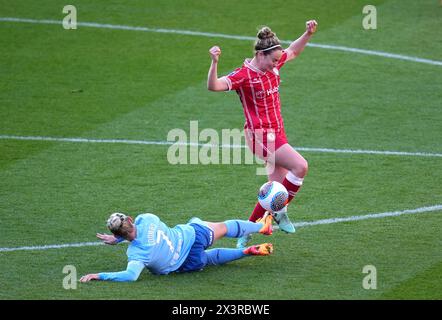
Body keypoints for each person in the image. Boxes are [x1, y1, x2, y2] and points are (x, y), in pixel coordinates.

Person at [207, 20, 318, 248]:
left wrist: (307, 33)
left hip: (278, 133)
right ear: (260, 54)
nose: (276, 65)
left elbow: (294, 51)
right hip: (261, 137)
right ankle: (280, 210)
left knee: (275, 189)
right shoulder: (244, 75)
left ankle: (246, 232)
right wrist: (214, 62)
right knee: (301, 166)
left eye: (278, 60)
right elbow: (214, 86)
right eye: (273, 60)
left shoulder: (273, 65)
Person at [79, 212, 273, 282]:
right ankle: (261, 227)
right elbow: (136, 229)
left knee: (210, 259)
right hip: (191, 236)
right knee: (222, 226)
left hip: (187, 263)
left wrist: (100, 275)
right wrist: (120, 238)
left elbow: (130, 276)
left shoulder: (136, 254)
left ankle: (245, 252)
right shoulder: (147, 218)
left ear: (116, 234)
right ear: (130, 219)